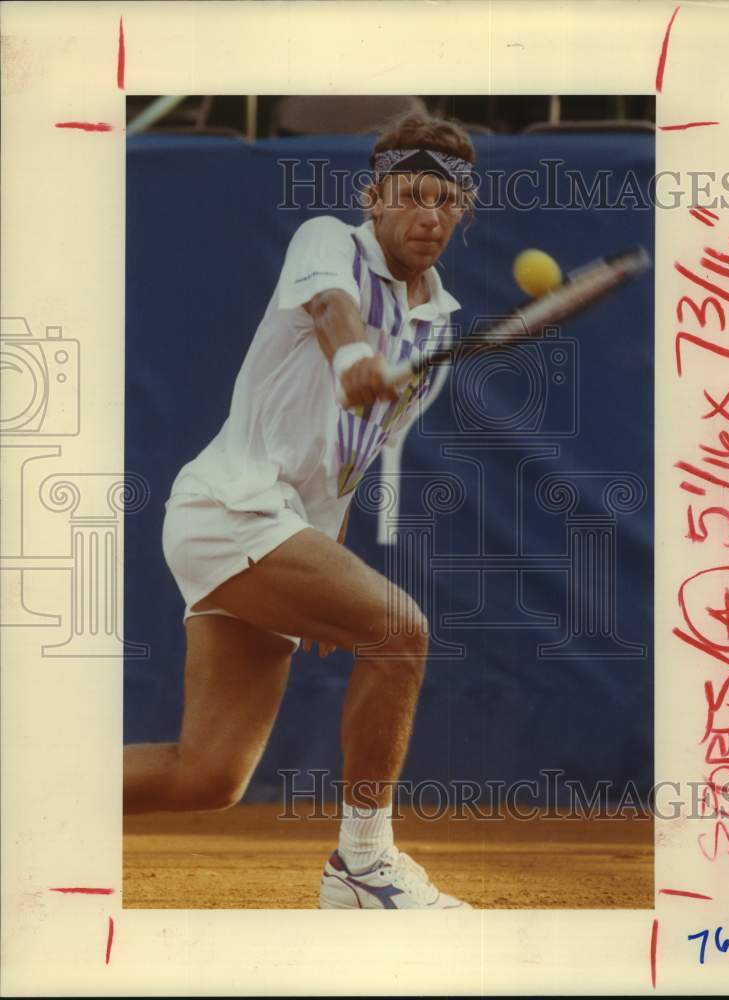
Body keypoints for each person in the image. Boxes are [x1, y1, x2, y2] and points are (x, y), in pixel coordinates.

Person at [123, 111, 477, 909]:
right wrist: (354, 355)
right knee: (400, 632)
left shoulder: (436, 325)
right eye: (411, 195)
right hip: (233, 507)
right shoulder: (330, 242)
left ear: (462, 210)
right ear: (374, 198)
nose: (428, 214)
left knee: (207, 775)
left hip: (278, 529)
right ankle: (363, 864)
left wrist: (322, 561)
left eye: (445, 200)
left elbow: (346, 460)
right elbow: (329, 308)